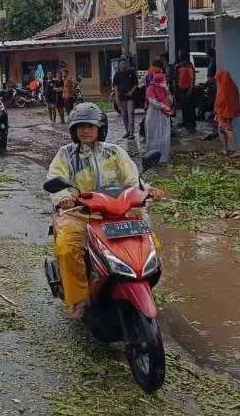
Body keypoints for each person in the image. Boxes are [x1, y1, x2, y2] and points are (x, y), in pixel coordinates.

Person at [46, 103, 164, 318]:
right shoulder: (65, 154)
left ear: (100, 128)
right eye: (80, 126)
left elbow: (132, 179)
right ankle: (78, 298)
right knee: (67, 248)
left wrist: (147, 190)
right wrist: (63, 197)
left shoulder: (115, 152)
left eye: (90, 126)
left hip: (116, 213)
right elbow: (55, 179)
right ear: (73, 130)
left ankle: (139, 283)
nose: (85, 130)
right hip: (80, 214)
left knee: (151, 244)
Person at [144, 61, 173, 164]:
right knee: (154, 136)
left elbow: (170, 101)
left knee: (164, 136)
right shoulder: (151, 88)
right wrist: (163, 106)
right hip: (154, 116)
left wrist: (167, 90)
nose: (164, 82)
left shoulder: (164, 89)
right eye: (163, 80)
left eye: (165, 80)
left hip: (164, 116)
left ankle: (163, 158)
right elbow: (152, 101)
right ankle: (152, 158)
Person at [213, 70, 240, 157]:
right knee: (222, 129)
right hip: (230, 112)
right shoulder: (233, 86)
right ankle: (224, 149)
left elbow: (220, 101)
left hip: (223, 112)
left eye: (218, 79)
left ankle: (238, 151)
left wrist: (216, 110)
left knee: (227, 130)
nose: (218, 81)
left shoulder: (223, 88)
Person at [111, 58, 139, 139]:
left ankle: (131, 132)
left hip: (131, 97)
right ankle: (127, 131)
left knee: (130, 113)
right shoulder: (117, 75)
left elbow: (135, 84)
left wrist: (131, 91)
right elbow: (116, 87)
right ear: (119, 65)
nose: (124, 65)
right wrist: (117, 98)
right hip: (122, 97)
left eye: (125, 63)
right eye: (122, 64)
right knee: (124, 114)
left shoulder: (131, 73)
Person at [175, 52, 196, 130]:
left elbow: (192, 79)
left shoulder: (189, 67)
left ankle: (191, 122)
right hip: (182, 89)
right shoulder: (181, 68)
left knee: (189, 106)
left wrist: (190, 90)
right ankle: (185, 121)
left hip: (187, 89)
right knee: (184, 106)